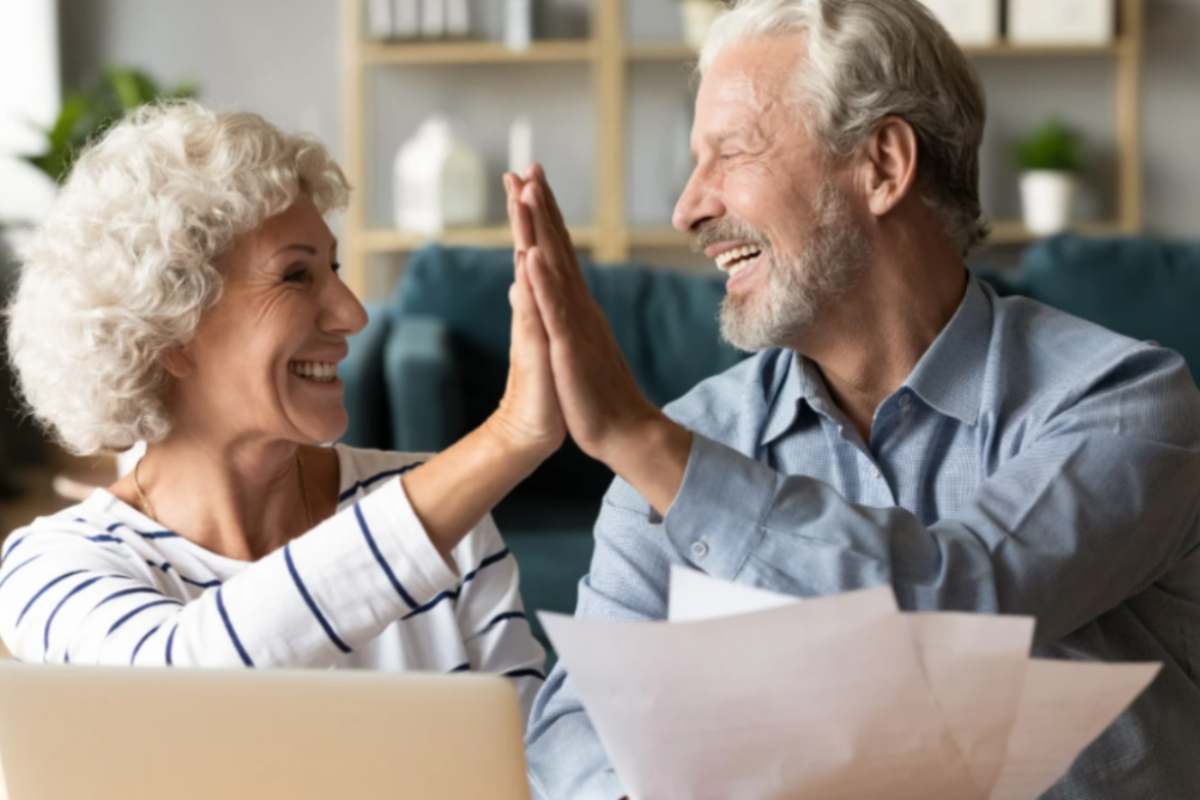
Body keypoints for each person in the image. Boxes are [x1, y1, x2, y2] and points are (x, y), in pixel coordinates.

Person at [509, 0, 1200, 796]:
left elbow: (960, 605)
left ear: (883, 165)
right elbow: (575, 738)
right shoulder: (692, 440)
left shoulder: (1124, 403)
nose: (688, 208)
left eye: (730, 152)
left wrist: (641, 441)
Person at [0, 101, 560, 723]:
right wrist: (509, 437)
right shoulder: (53, 566)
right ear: (170, 329)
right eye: (296, 276)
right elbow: (176, 690)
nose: (352, 313)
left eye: (334, 268)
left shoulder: (446, 519)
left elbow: (529, 762)